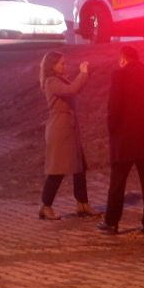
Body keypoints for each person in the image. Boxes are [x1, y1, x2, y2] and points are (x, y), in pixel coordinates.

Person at [101, 45, 144, 235]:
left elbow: (114, 107)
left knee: (118, 182)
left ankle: (112, 222)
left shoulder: (119, 76)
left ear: (123, 58)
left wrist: (112, 130)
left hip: (125, 139)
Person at [38, 51, 96, 221]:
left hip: (68, 128)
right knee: (58, 169)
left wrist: (86, 74)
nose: (64, 66)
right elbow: (72, 90)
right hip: (60, 129)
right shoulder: (51, 82)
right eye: (61, 63)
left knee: (79, 168)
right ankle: (45, 205)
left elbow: (74, 88)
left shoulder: (59, 79)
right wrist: (83, 73)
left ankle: (82, 204)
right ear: (52, 65)